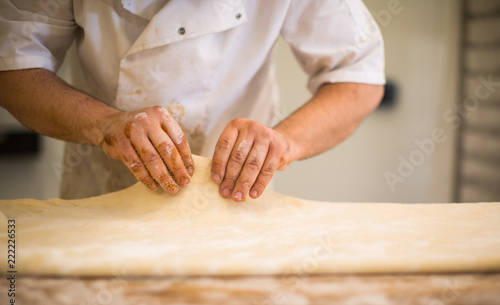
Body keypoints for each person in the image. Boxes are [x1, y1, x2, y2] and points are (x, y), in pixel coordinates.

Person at [0, 0, 385, 202]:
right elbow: (13, 65)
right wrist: (104, 125)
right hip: (104, 189)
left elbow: (359, 75)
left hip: (238, 197)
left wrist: (287, 141)